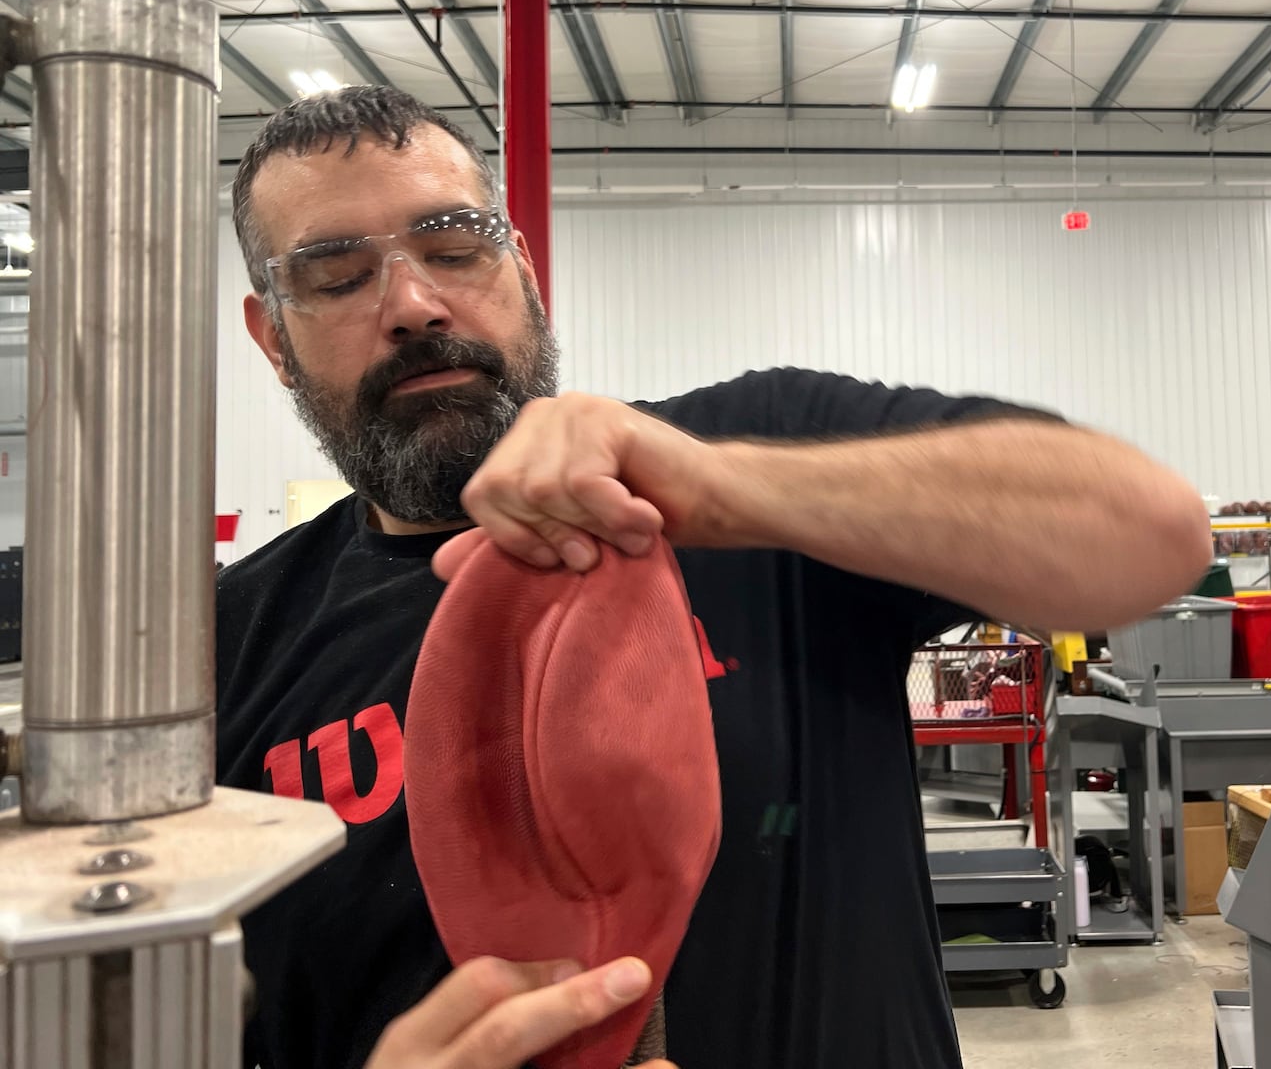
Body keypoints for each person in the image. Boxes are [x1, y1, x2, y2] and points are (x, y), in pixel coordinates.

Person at [217, 85, 1212, 1069]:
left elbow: (1151, 535)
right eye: (338, 276)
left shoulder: (761, 448)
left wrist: (723, 485)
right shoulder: (217, 650)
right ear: (273, 339)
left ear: (522, 269)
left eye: (452, 248)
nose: (414, 305)